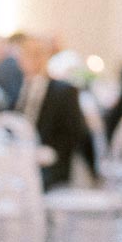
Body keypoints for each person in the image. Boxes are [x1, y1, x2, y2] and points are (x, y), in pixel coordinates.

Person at [13, 35, 97, 189]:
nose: (30, 59)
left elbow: (77, 133)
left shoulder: (64, 91)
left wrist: (49, 154)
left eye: (36, 54)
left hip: (52, 165)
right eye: (26, 54)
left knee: (26, 184)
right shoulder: (19, 88)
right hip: (22, 158)